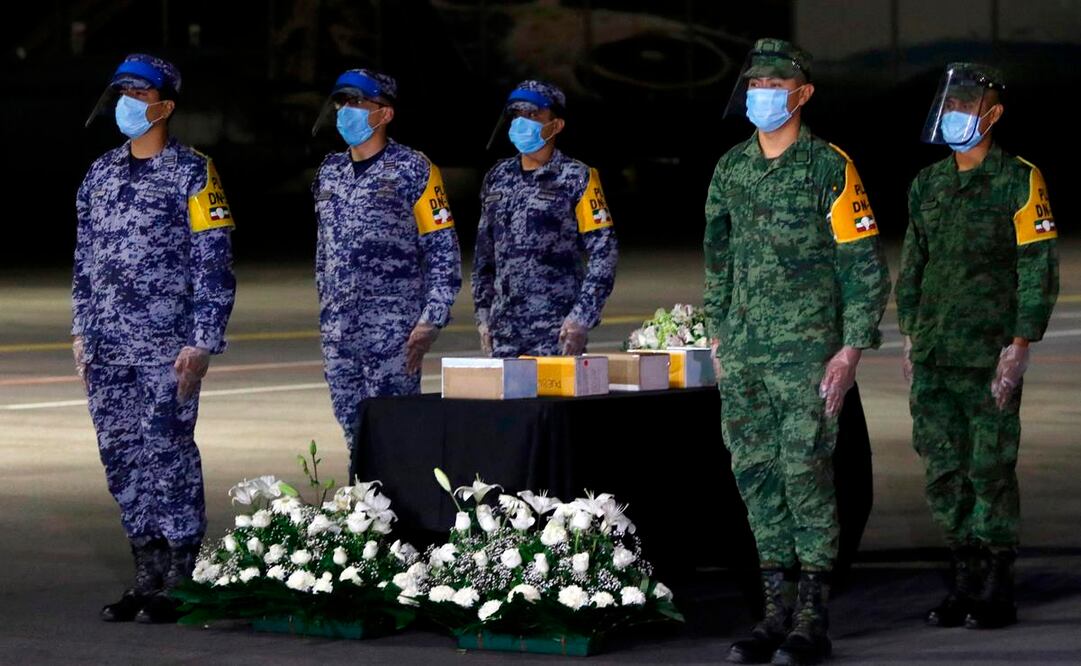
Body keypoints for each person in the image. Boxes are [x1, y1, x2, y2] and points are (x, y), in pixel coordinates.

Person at [703, 39, 890, 665]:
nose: (761, 95)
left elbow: (863, 265)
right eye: (755, 85)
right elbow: (717, 254)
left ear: (802, 94)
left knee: (806, 474)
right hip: (746, 353)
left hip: (808, 355)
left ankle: (812, 618)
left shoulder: (829, 167)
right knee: (755, 475)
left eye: (775, 86)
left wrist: (851, 349)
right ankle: (773, 613)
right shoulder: (731, 168)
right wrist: (719, 329)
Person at [896, 63, 1059, 630]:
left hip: (989, 354)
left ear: (993, 115)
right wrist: (910, 335)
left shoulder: (1019, 180)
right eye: (950, 106)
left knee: (989, 467)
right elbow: (914, 263)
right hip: (935, 352)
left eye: (966, 107)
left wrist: (1020, 344)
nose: (954, 116)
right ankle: (964, 576)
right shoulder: (928, 184)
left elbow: (1037, 266)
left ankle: (997, 582)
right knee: (942, 468)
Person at [75, 53, 236, 623]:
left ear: (164, 106)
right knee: (121, 457)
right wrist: (80, 329)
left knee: (168, 454)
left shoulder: (193, 172)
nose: (126, 103)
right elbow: (85, 261)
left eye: (138, 94)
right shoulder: (100, 173)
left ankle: (183, 574)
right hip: (107, 346)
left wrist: (203, 340)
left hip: (168, 349)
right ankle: (146, 571)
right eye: (120, 92)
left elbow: (214, 261)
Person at [311, 68, 461, 450]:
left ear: (385, 113)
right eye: (341, 102)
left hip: (394, 331)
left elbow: (442, 249)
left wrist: (431, 319)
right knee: (355, 435)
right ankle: (364, 491)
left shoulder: (414, 169)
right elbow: (324, 252)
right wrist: (327, 312)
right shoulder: (329, 172)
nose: (345, 110)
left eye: (357, 102)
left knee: (397, 436)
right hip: (340, 331)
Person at [471, 80, 618, 357]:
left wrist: (581, 318)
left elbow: (604, 252)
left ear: (556, 125)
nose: (522, 122)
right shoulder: (497, 177)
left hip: (557, 332)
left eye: (533, 115)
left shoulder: (578, 178)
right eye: (517, 115)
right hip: (504, 332)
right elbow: (484, 256)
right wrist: (482, 314)